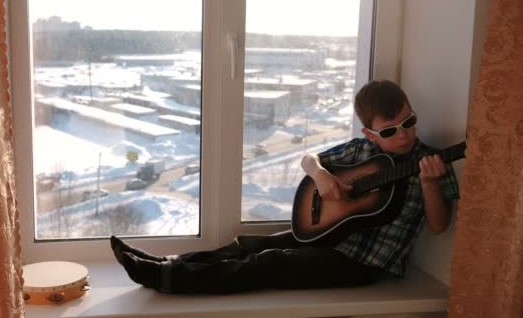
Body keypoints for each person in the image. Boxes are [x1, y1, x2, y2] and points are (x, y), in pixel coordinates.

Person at [110, 79, 460, 294]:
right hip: (329, 237)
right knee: (248, 244)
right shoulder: (361, 150)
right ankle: (169, 262)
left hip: (364, 263)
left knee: (269, 263)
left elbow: (439, 225)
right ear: (370, 133)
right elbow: (309, 159)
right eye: (390, 130)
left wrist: (429, 184)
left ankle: (167, 279)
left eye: (409, 122)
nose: (404, 135)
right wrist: (322, 177)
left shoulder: (430, 162)